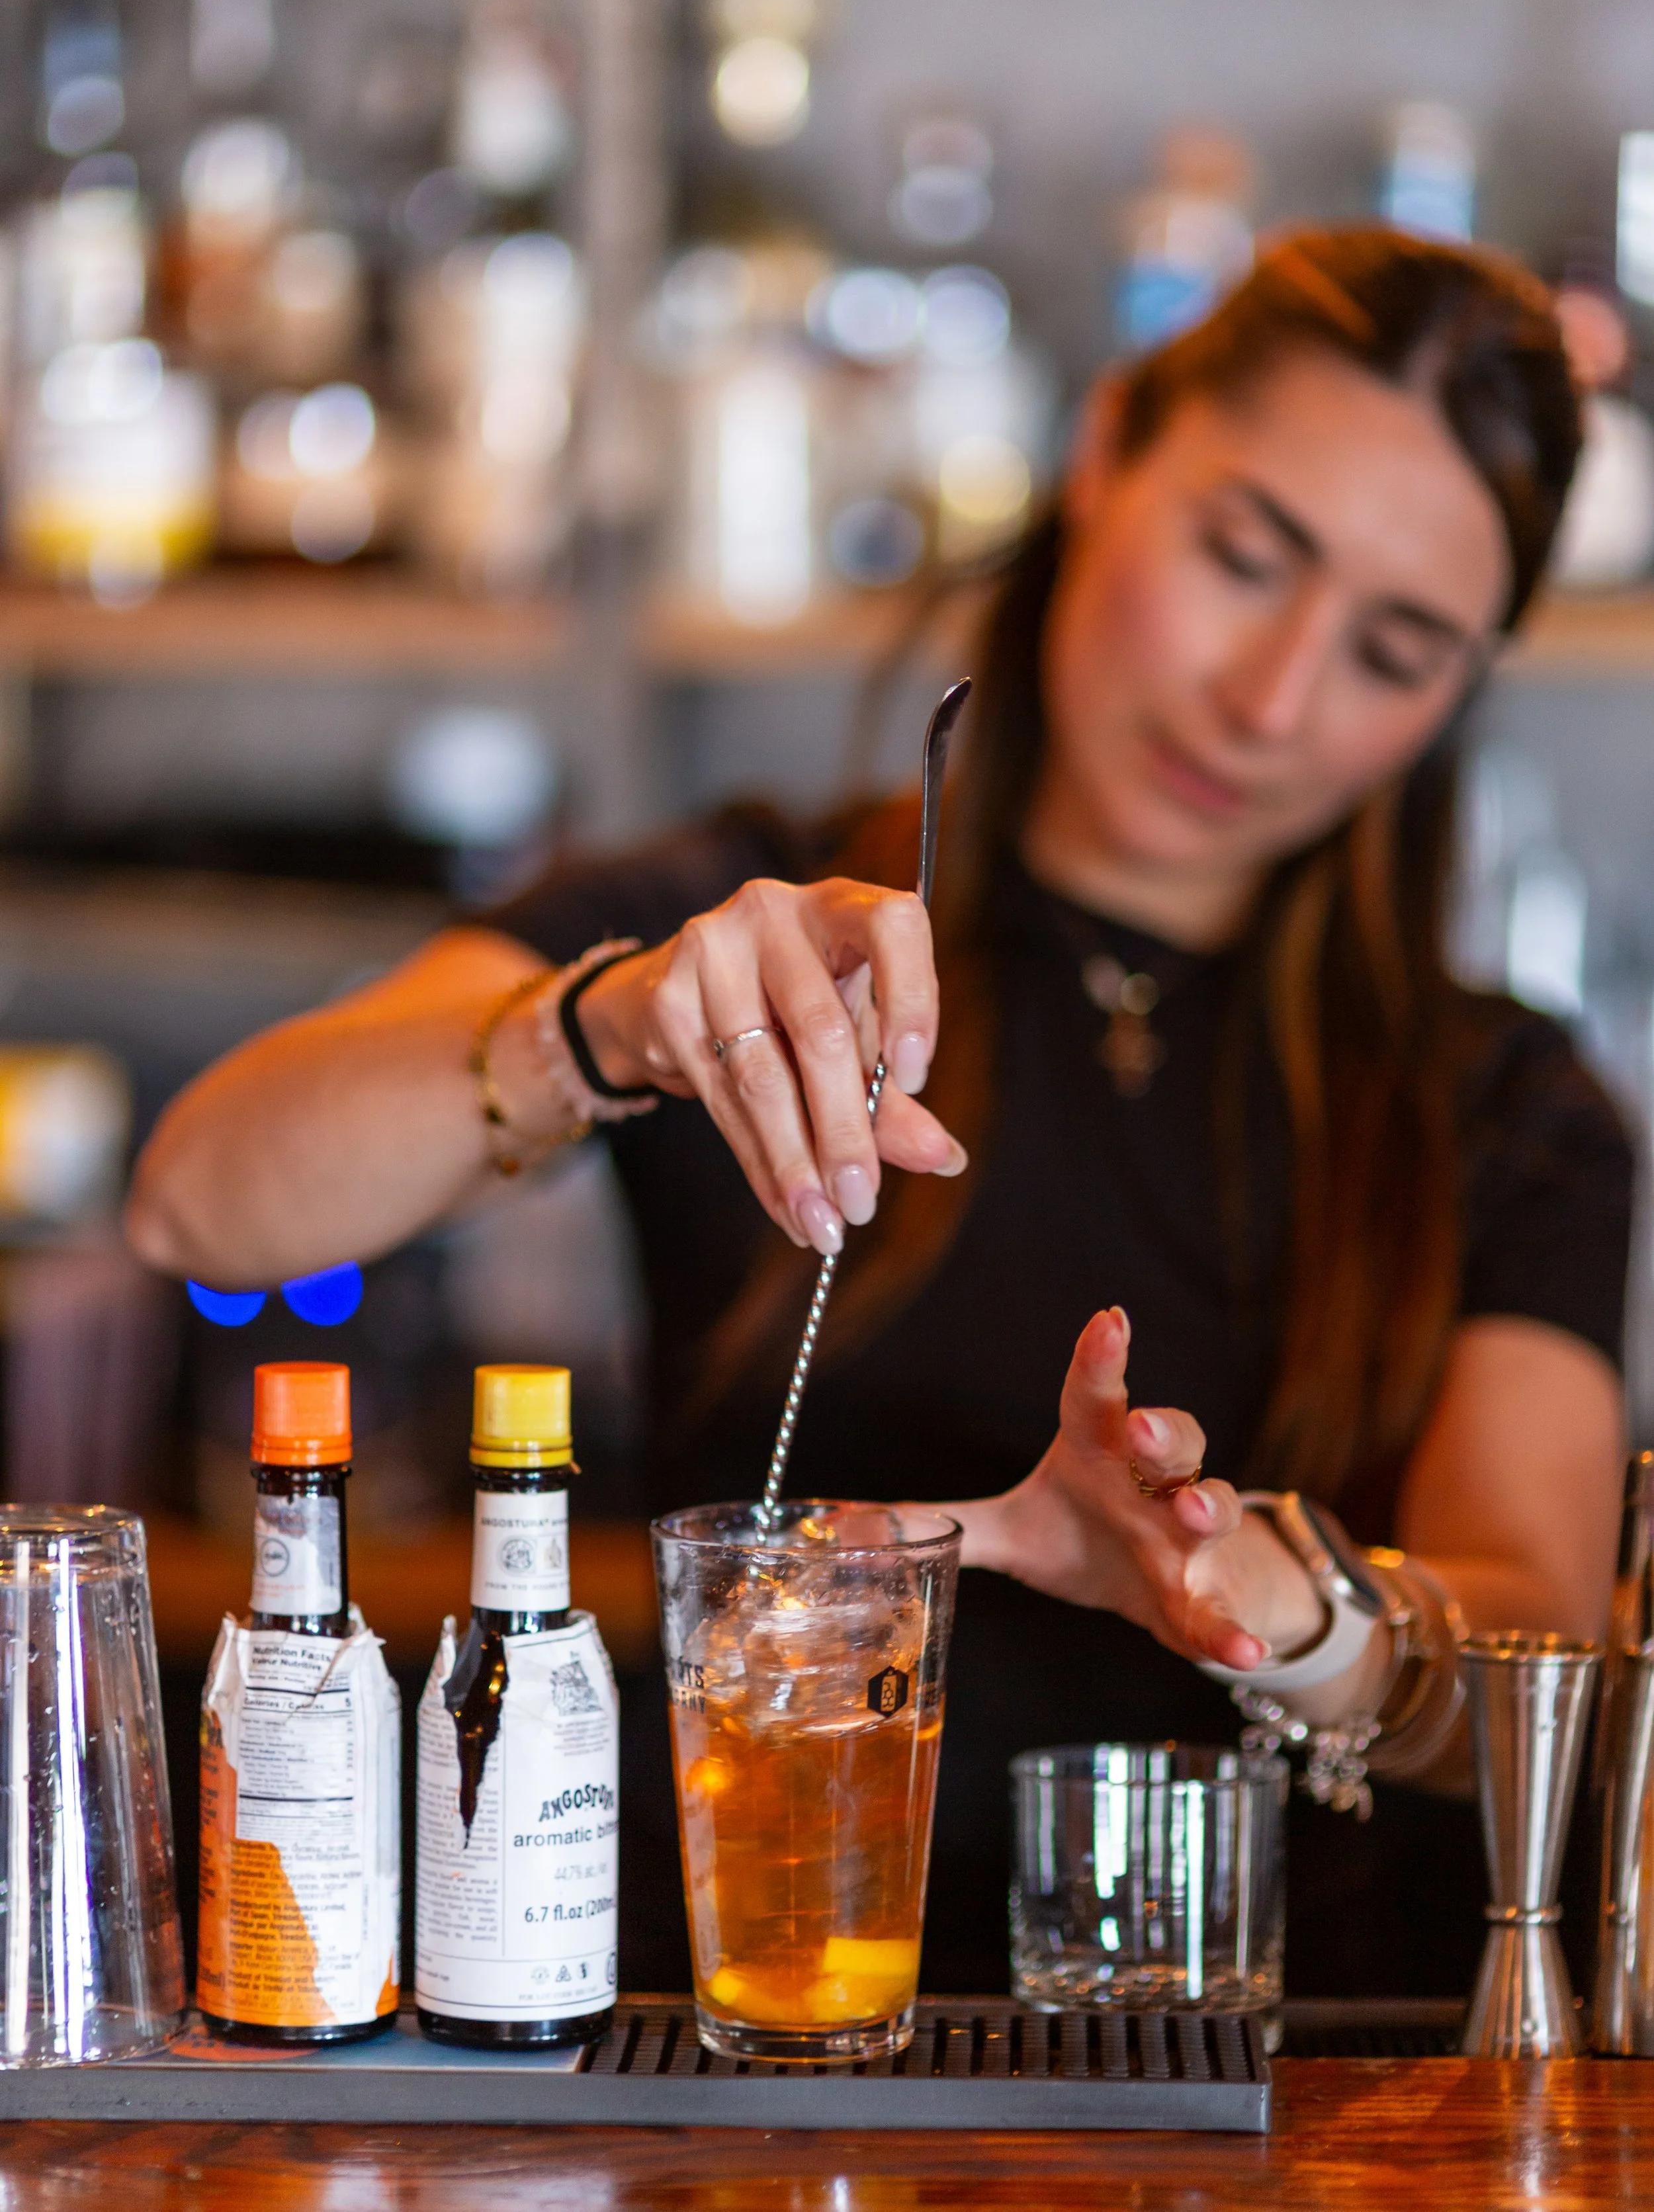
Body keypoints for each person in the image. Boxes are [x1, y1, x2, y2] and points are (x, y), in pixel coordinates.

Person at [126, 227, 1631, 1997]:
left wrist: (1249, 1592)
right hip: (759, 2053)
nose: (1272, 696)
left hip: (1296, 2101)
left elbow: (1535, 1660)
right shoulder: (752, 927)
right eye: (1244, 554)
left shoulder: (1503, 1107)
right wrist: (602, 1027)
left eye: (1391, 650)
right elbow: (203, 1199)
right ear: (1106, 446)